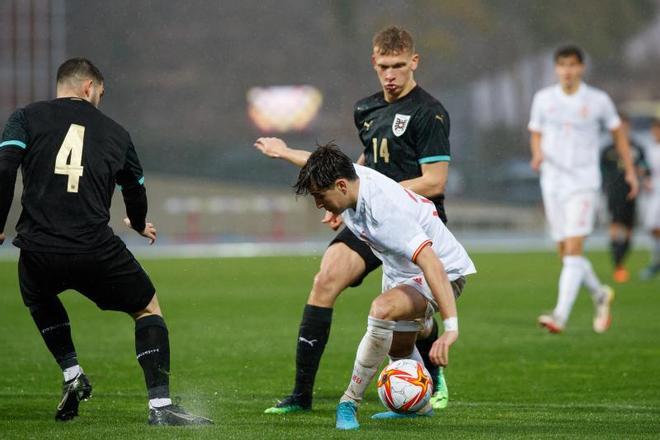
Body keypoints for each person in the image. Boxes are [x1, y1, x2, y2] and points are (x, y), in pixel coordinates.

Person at [0, 58, 212, 425]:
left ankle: (71, 372)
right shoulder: (116, 133)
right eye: (100, 92)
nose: (100, 98)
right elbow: (135, 190)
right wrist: (140, 223)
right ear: (88, 87)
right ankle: (160, 407)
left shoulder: (25, 117)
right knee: (147, 308)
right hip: (94, 248)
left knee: (38, 295)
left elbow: (5, 167)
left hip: (39, 247)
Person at [257, 25, 454, 414]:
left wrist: (375, 194)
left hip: (413, 224)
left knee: (411, 313)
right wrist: (345, 200)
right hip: (368, 219)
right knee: (325, 278)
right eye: (384, 66)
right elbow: (359, 166)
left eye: (399, 65)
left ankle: (430, 359)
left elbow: (435, 181)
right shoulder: (366, 109)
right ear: (374, 64)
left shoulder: (429, 113)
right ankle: (301, 395)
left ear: (414, 62)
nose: (391, 74)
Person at [256, 141, 475, 430]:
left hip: (444, 272)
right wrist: (284, 152)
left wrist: (451, 330)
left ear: (341, 186)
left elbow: (431, 262)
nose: (319, 205)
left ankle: (349, 403)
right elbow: (316, 160)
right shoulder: (350, 178)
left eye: (321, 197)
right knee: (398, 351)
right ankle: (419, 407)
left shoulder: (384, 211)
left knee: (381, 309)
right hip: (402, 272)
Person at [528, 45, 639, 334]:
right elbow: (536, 132)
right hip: (552, 182)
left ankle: (560, 316)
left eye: (573, 65)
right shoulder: (543, 99)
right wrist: (537, 154)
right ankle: (600, 293)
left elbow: (618, 134)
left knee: (575, 250)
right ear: (556, 69)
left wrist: (630, 170)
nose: (567, 70)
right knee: (566, 254)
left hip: (583, 183)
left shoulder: (598, 100)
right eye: (562, 65)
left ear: (581, 68)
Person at [600, 116, 649, 283]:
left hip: (632, 193)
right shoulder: (607, 150)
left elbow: (645, 166)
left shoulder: (637, 148)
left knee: (629, 229)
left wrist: (644, 175)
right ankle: (618, 265)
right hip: (614, 193)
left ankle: (621, 262)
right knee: (615, 225)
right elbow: (602, 171)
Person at [640, 119, 660, 280]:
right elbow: (645, 168)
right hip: (654, 192)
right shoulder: (650, 148)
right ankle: (656, 261)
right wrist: (645, 178)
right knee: (651, 226)